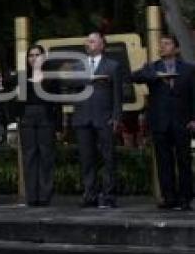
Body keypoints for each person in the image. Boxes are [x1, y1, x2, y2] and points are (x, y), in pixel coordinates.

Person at [131, 35, 195, 210]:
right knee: (163, 162)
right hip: (160, 122)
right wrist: (154, 75)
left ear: (176, 48)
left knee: (184, 161)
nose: (162, 47)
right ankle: (169, 198)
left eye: (167, 44)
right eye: (161, 44)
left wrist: (193, 119)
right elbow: (134, 77)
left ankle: (185, 198)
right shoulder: (153, 68)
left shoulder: (189, 69)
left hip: (182, 122)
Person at [71, 32, 123, 209]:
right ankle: (89, 194)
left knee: (108, 158)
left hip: (104, 117)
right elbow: (72, 85)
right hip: (83, 117)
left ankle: (108, 196)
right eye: (87, 41)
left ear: (102, 45)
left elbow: (117, 94)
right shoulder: (78, 65)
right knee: (86, 159)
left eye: (93, 41)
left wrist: (116, 116)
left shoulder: (113, 66)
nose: (89, 43)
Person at [14, 45, 60, 207]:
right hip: (27, 118)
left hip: (46, 118)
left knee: (46, 156)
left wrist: (59, 127)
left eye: (37, 55)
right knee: (29, 157)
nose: (34, 58)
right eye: (31, 55)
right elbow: (15, 102)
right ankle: (32, 196)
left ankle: (44, 196)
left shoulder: (52, 77)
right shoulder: (21, 77)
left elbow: (57, 103)